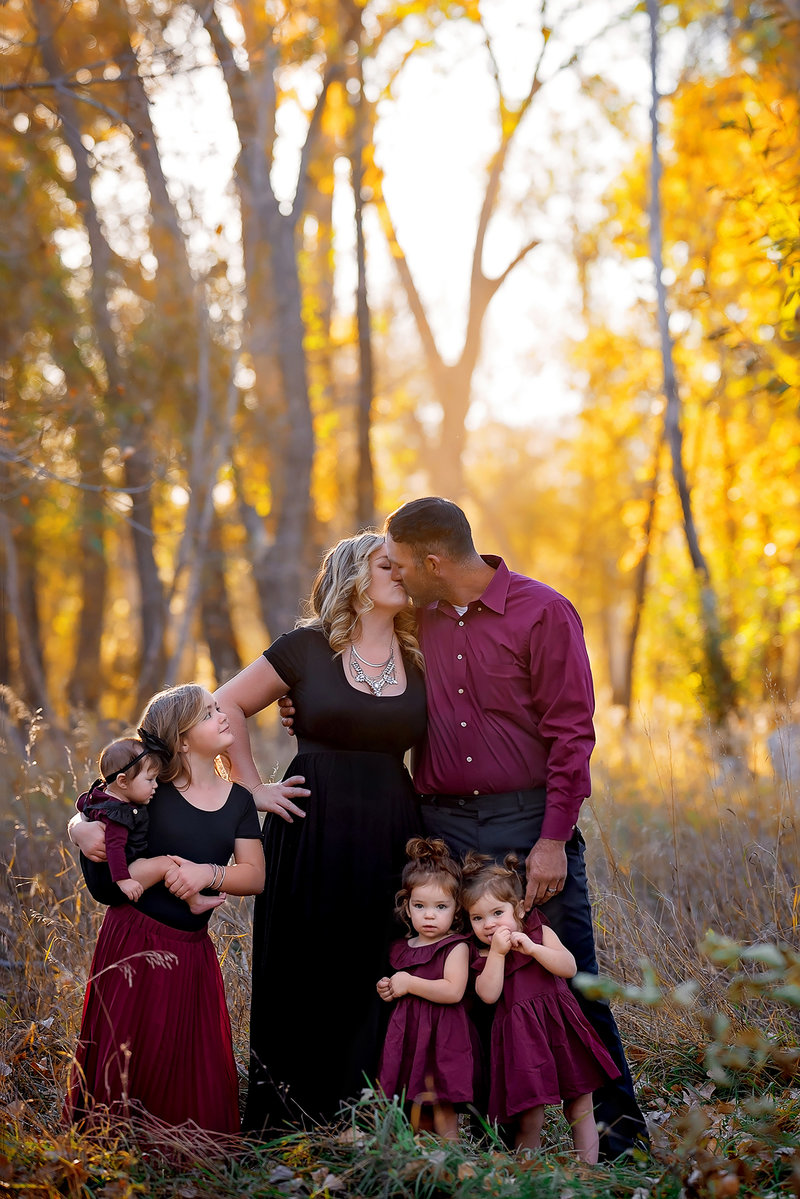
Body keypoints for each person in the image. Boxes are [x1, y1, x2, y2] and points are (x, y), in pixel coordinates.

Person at [380, 496, 648, 1159]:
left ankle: (622, 1144)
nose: (399, 574)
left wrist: (553, 839)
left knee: (571, 976)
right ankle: (493, 1142)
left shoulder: (544, 611)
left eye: (405, 564)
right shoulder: (418, 619)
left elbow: (571, 735)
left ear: (435, 561)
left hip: (529, 824)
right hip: (443, 823)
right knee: (465, 980)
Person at [213, 531, 427, 1131]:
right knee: (308, 967)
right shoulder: (306, 648)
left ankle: (371, 1118)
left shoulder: (420, 655)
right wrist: (253, 789)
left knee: (382, 966)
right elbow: (224, 706)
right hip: (311, 825)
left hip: (393, 831)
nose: (401, 574)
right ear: (354, 578)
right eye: (389, 565)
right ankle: (293, 1119)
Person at [65, 684, 265, 1133]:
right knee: (131, 1051)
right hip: (135, 938)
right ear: (182, 739)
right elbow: (97, 806)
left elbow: (254, 875)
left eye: (219, 708)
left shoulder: (238, 801)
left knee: (185, 1054)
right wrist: (77, 825)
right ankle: (117, 1148)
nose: (223, 715)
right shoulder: (152, 791)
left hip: (192, 947)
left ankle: (187, 1151)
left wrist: (207, 874)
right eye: (210, 713)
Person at [463, 852, 620, 1163]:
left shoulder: (538, 933)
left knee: (580, 1104)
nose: (488, 924)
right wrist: (496, 954)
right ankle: (530, 1174)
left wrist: (534, 949)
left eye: (497, 913)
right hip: (522, 1041)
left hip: (560, 1027)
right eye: (477, 918)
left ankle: (587, 1171)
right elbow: (488, 994)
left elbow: (569, 967)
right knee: (529, 1114)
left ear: (520, 907)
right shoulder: (481, 953)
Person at [376, 836, 478, 1140]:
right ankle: (421, 1166)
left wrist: (408, 983)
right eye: (420, 906)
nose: (429, 915)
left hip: (443, 1037)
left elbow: (452, 991)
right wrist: (390, 987)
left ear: (457, 909)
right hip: (411, 1035)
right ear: (407, 908)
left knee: (443, 1103)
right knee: (414, 1104)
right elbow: (402, 987)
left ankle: (453, 1158)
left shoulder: (455, 946)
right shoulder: (402, 947)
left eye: (440, 906)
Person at [75, 736, 224, 914]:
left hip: (102, 878)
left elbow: (81, 804)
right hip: (114, 881)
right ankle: (195, 902)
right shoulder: (118, 816)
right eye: (149, 780)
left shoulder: (99, 794)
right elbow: (114, 848)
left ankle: (118, 911)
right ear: (122, 781)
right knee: (165, 864)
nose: (155, 786)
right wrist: (124, 882)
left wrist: (82, 822)